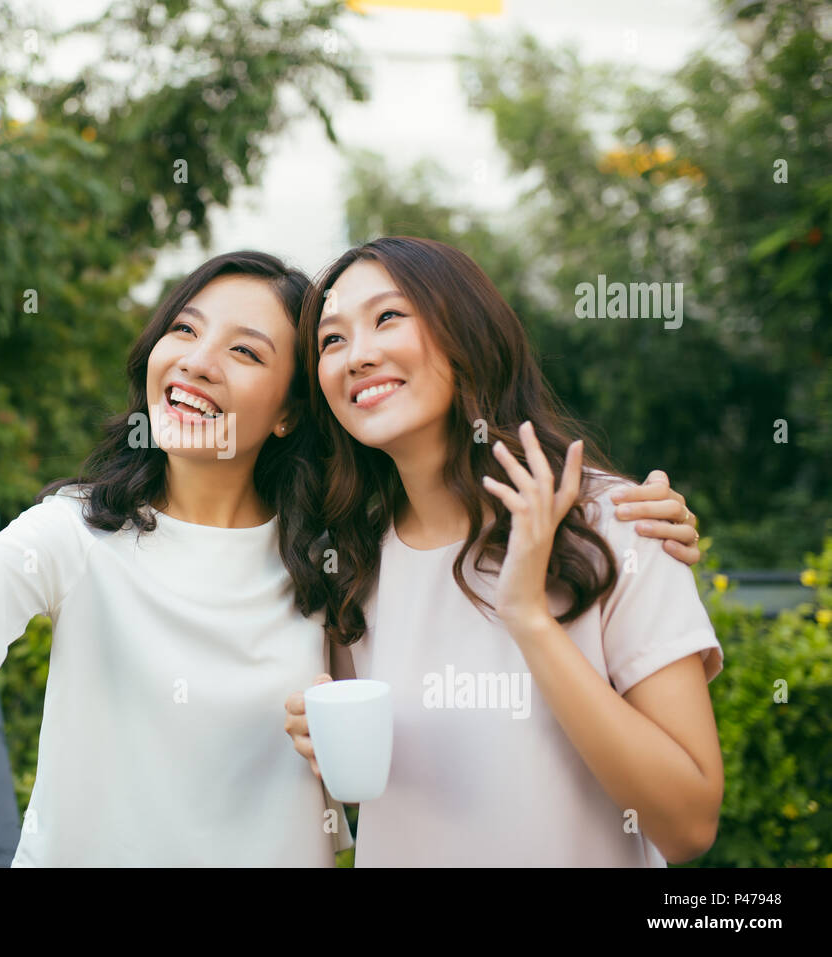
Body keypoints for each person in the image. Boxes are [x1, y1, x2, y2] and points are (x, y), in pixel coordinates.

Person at [0, 223, 700, 865]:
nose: (198, 361)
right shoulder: (89, 529)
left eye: (246, 350)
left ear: (289, 412)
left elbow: (681, 814)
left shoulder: (332, 556)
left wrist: (625, 523)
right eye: (183, 330)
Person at [284, 236, 722, 867]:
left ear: (466, 333)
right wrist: (319, 739)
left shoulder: (614, 523)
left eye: (388, 317)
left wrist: (530, 620)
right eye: (332, 340)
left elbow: (687, 823)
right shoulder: (350, 562)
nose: (358, 356)